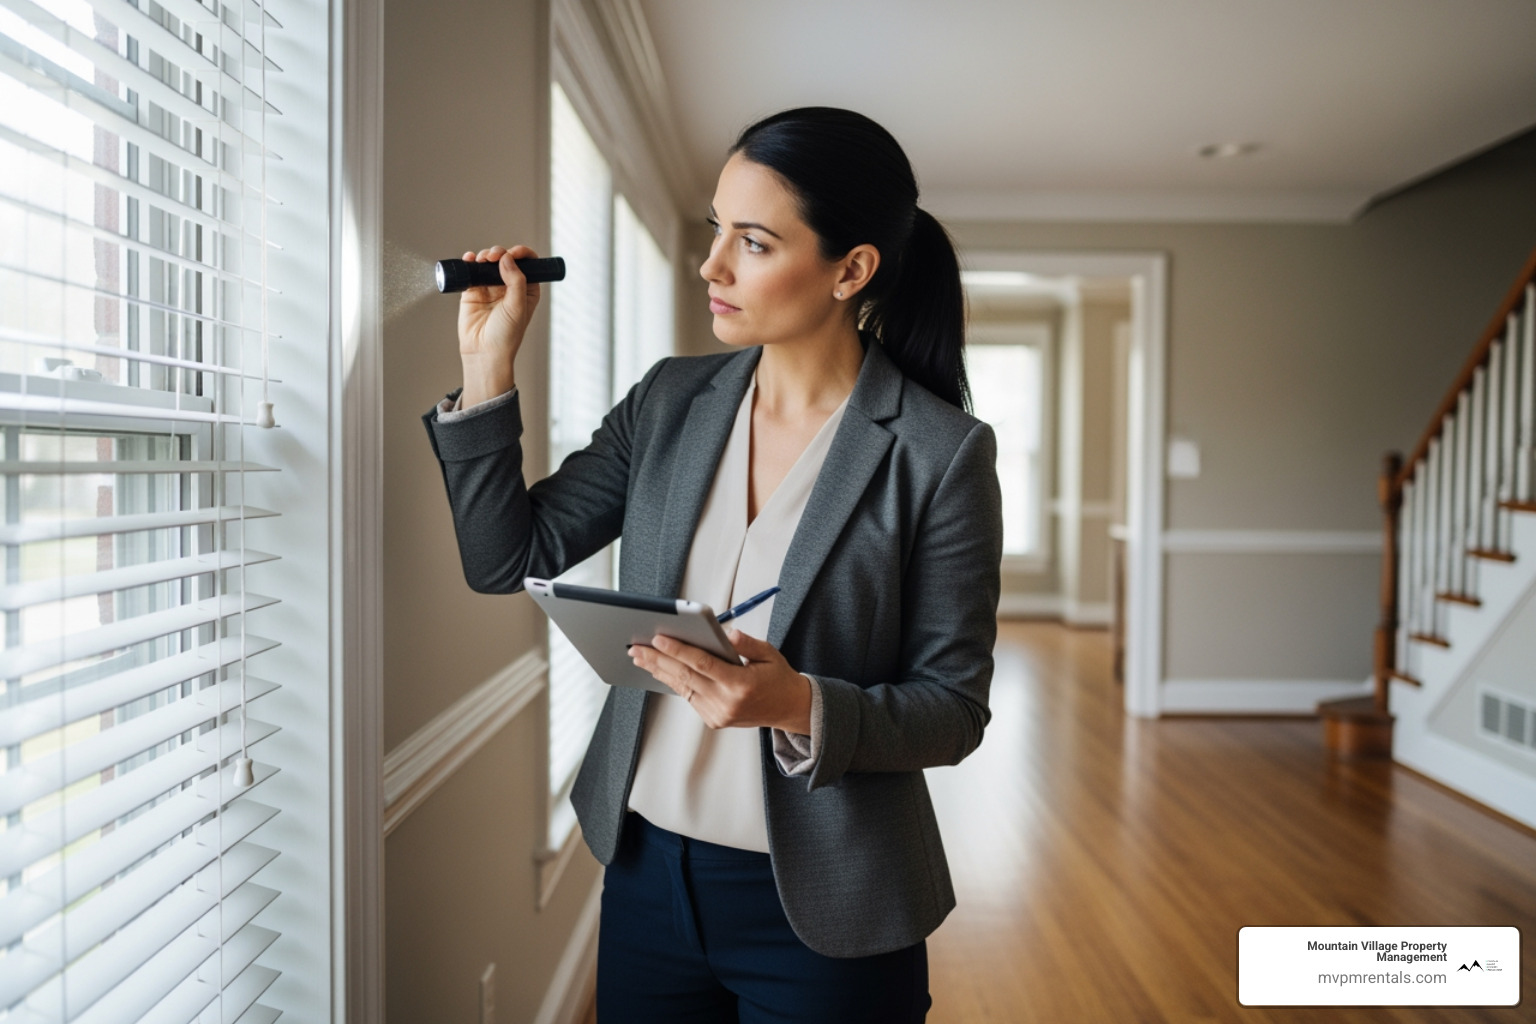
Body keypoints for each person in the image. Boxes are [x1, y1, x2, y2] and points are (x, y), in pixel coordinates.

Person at [423, 107, 1002, 1023]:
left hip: (829, 905)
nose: (712, 266)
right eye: (715, 231)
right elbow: (508, 557)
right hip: (648, 874)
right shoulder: (669, 399)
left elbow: (954, 710)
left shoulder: (939, 453)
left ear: (851, 271)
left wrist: (798, 704)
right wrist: (488, 369)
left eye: (755, 242)